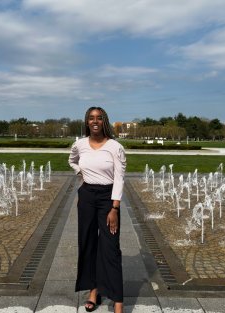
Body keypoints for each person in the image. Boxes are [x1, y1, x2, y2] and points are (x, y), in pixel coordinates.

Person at [68, 106, 126, 313]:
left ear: (104, 122)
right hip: (86, 197)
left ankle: (118, 302)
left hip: (108, 198)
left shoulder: (115, 147)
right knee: (88, 244)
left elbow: (119, 178)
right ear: (86, 122)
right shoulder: (80, 145)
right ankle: (94, 292)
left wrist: (114, 208)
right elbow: (72, 160)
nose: (95, 121)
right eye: (91, 118)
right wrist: (81, 174)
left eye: (99, 118)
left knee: (110, 249)